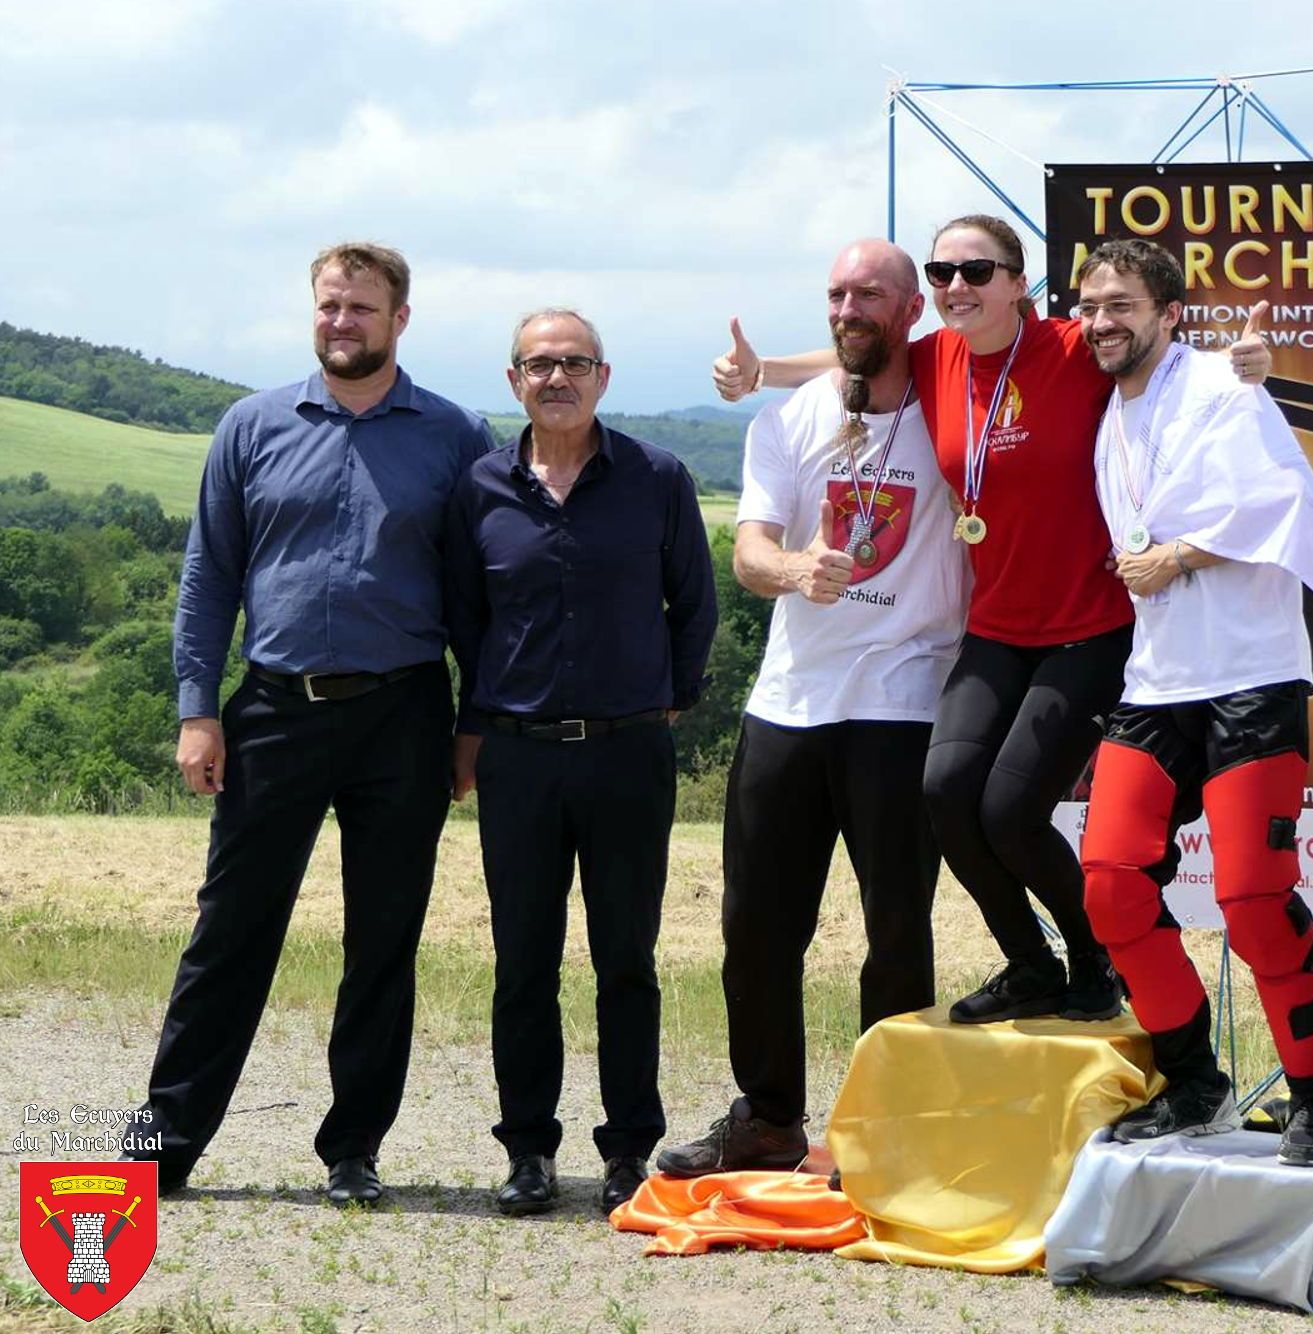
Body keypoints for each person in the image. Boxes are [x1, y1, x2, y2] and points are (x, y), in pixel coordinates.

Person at [715, 216, 1269, 1026]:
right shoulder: (937, 356)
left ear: (1022, 284)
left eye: (977, 272)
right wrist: (761, 370)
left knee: (1009, 810)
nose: (956, 288)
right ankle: (1031, 962)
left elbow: (1169, 360)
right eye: (942, 273)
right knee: (945, 792)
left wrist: (1244, 363)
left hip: (1089, 626)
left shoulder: (1075, 347)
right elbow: (850, 351)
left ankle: (1097, 958)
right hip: (996, 629)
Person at [126, 243, 492, 1205]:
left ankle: (352, 1152)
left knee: (384, 940)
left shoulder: (457, 437)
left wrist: (473, 726)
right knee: (231, 930)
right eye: (330, 306)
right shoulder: (252, 425)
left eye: (362, 309)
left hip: (404, 714)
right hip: (275, 710)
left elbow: (477, 599)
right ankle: (163, 1142)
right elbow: (208, 577)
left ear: (400, 319)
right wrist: (197, 710)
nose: (343, 323)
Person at [655, 240, 968, 1178]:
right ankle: (769, 1117)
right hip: (790, 701)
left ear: (913, 309)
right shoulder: (789, 418)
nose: (849, 306)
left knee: (897, 930)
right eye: (836, 293)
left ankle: (883, 1128)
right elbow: (751, 552)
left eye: (871, 292)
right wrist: (794, 567)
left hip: (906, 698)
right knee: (754, 925)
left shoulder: (956, 407)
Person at [1067, 240, 1313, 1165]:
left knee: (1251, 896)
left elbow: (1280, 502)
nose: (1102, 320)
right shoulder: (1106, 411)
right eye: (1089, 305)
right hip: (1156, 683)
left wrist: (1181, 555)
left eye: (1121, 304)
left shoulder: (1226, 386)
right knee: (1112, 886)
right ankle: (1194, 1081)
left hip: (1250, 678)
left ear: (1169, 312)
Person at [445, 309, 717, 1216]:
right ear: (512, 378)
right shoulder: (479, 487)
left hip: (628, 753)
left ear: (604, 376)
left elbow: (695, 602)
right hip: (519, 759)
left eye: (574, 363)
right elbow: (465, 620)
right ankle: (527, 1151)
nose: (556, 377)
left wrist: (669, 694)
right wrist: (474, 729)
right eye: (538, 364)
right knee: (522, 961)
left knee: (625, 961)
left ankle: (627, 1151)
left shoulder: (657, 477)